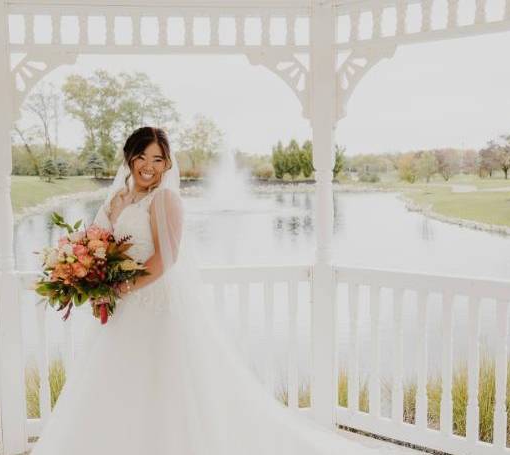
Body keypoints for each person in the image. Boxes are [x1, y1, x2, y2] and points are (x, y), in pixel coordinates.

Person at [30, 126, 388, 455]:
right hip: (119, 313)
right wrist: (83, 275)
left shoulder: (165, 200)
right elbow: (99, 245)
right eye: (142, 157)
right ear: (129, 158)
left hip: (154, 309)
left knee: (161, 394)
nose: (149, 166)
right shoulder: (114, 201)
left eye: (158, 159)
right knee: (114, 391)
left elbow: (163, 261)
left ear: (167, 163)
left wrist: (119, 288)